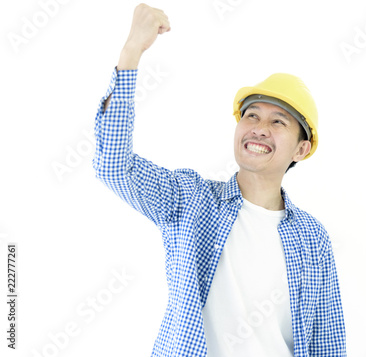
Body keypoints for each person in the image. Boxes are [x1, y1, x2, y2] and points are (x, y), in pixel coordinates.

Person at [93, 4, 346, 357]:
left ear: (301, 149)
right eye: (252, 114)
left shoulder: (312, 238)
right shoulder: (189, 199)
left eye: (278, 122)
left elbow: (327, 341)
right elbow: (113, 166)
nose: (259, 127)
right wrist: (131, 50)